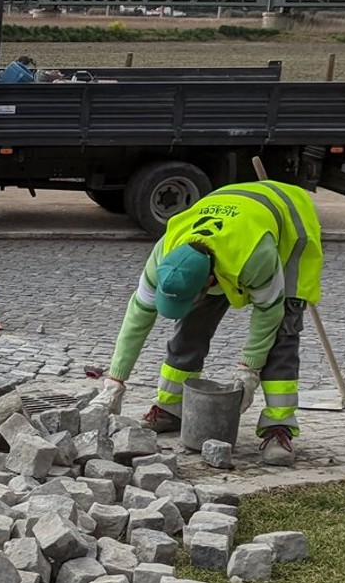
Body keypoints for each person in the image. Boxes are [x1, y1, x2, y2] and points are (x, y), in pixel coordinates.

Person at [95, 179, 325, 467]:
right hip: (230, 219)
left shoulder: (255, 258)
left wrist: (248, 369)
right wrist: (115, 381)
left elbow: (268, 312)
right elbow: (137, 318)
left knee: (283, 333)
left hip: (289, 227)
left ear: (211, 281)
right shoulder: (165, 253)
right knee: (190, 327)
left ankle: (278, 427)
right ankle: (171, 408)